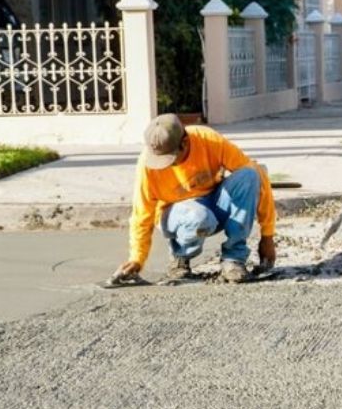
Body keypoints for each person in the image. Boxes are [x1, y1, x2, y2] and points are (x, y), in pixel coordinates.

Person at [115, 114, 276, 283]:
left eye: (169, 158)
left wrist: (268, 235)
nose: (163, 165)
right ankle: (180, 259)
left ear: (184, 143)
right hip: (175, 215)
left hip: (213, 203)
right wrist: (137, 259)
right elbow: (141, 214)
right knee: (198, 216)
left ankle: (233, 260)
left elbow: (255, 173)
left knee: (250, 175)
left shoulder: (208, 140)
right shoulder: (146, 165)